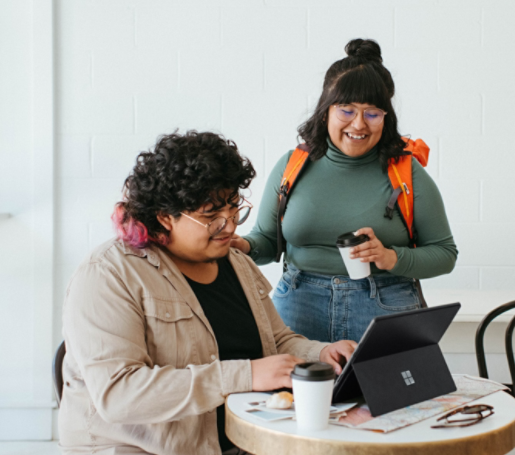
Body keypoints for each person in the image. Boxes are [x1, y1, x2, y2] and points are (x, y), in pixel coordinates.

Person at [58, 131, 356, 455]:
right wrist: (245, 375)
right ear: (163, 217)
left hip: (240, 440)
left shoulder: (236, 261)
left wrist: (321, 354)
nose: (229, 226)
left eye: (233, 208)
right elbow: (119, 396)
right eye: (210, 216)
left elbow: (277, 341)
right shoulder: (109, 275)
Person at [232, 39, 458, 343]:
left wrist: (391, 257)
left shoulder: (406, 172)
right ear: (326, 111)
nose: (359, 124)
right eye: (347, 110)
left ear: (386, 117)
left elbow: (445, 254)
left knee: (387, 391)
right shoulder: (293, 165)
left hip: (385, 304)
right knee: (291, 392)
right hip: (299, 304)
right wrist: (243, 246)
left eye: (372, 113)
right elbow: (269, 242)